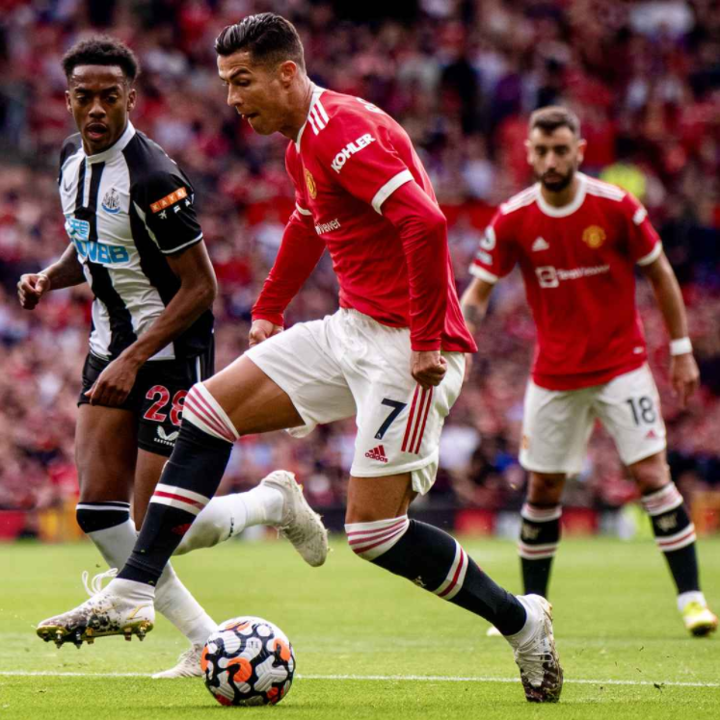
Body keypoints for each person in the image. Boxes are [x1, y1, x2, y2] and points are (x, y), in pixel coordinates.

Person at [36, 14, 563, 703]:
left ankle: (523, 623)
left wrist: (428, 339)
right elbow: (308, 222)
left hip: (405, 347)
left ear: (287, 73)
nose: (232, 98)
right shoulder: (302, 144)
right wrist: (270, 308)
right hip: (351, 328)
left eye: (242, 81)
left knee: (375, 533)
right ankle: (134, 587)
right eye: (226, 83)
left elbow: (424, 221)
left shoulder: (340, 131)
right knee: (208, 408)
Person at [21, 36, 328, 678]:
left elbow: (200, 287)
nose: (97, 108)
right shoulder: (70, 159)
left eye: (110, 96)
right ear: (68, 99)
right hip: (109, 348)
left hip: (167, 352)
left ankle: (271, 504)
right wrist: (50, 277)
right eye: (84, 96)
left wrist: (134, 359)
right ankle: (205, 641)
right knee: (97, 512)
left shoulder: (155, 176)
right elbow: (92, 242)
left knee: (159, 521)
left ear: (131, 98)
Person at [461, 106, 717, 638]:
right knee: (542, 490)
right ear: (529, 153)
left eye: (561, 150)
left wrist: (681, 348)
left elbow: (661, 274)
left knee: (653, 476)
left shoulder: (616, 206)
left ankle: (693, 600)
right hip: (554, 376)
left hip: (622, 366)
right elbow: (479, 294)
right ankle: (531, 609)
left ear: (579, 151)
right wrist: (456, 345)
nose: (551, 160)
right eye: (542, 151)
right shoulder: (513, 217)